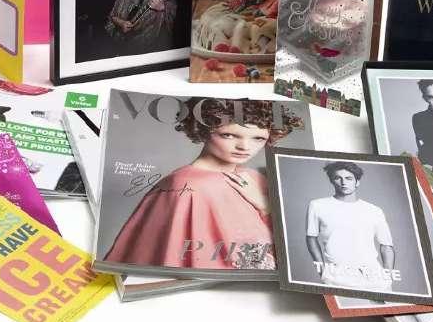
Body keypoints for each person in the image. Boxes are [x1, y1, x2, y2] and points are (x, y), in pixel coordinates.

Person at [104, 97, 303, 270]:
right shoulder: (184, 185)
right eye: (229, 135)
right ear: (204, 130)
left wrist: (265, 206)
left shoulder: (255, 178)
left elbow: (290, 252)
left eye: (258, 138)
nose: (244, 147)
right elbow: (174, 258)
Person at [305, 161, 396, 290]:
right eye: (338, 178)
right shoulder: (318, 205)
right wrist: (322, 270)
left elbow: (386, 246)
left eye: (348, 178)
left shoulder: (374, 210)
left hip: (374, 278)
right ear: (332, 181)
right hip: (336, 279)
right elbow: (311, 237)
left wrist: (388, 277)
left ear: (357, 182)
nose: (343, 182)